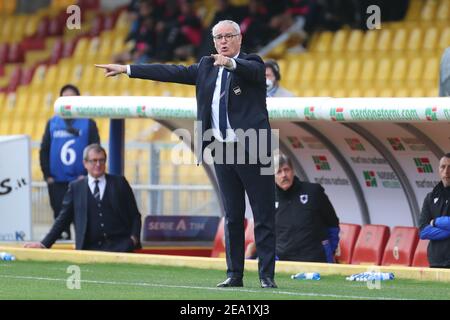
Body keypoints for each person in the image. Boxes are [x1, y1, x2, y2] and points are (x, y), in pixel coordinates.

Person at [95, 20, 277, 288]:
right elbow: (170, 71)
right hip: (222, 150)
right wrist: (127, 69)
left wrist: (231, 64)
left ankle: (266, 277)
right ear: (213, 41)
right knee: (233, 216)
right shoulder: (205, 67)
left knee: (263, 216)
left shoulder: (254, 63)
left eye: (228, 36)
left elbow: (250, 71)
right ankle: (234, 274)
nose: (223, 41)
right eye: (218, 37)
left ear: (239, 38)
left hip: (255, 147)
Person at [26, 144, 142, 252]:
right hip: (89, 249)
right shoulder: (76, 187)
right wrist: (44, 244)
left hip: (121, 248)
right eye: (94, 161)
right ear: (85, 163)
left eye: (101, 160)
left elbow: (135, 215)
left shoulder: (119, 183)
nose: (98, 164)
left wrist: (133, 239)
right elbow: (62, 220)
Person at [247, 153, 340, 262]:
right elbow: (263, 230)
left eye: (286, 170)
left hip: (315, 259)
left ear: (293, 171)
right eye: (279, 172)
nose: (284, 175)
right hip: (283, 261)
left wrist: (329, 249)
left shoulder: (314, 191)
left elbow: (333, 223)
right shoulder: (267, 197)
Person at [39, 84, 100, 240]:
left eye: (71, 98)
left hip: (81, 182)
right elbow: (44, 150)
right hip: (57, 184)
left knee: (82, 221)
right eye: (64, 98)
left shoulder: (88, 123)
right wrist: (48, 176)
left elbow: (96, 150)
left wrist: (88, 175)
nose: (68, 102)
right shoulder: (52, 123)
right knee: (60, 225)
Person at [418, 153, 450, 268]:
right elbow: (423, 231)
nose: (446, 171)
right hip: (435, 262)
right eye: (443, 167)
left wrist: (435, 223)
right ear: (438, 169)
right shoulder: (430, 197)